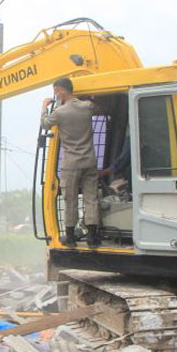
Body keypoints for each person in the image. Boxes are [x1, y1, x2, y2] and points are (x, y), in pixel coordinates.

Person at [41, 77, 100, 247]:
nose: (55, 95)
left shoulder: (60, 112)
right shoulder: (87, 107)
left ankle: (70, 236)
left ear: (60, 91)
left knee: (71, 199)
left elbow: (45, 124)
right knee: (91, 198)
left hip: (71, 163)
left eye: (55, 92)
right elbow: (97, 106)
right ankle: (92, 236)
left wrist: (44, 106)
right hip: (89, 160)